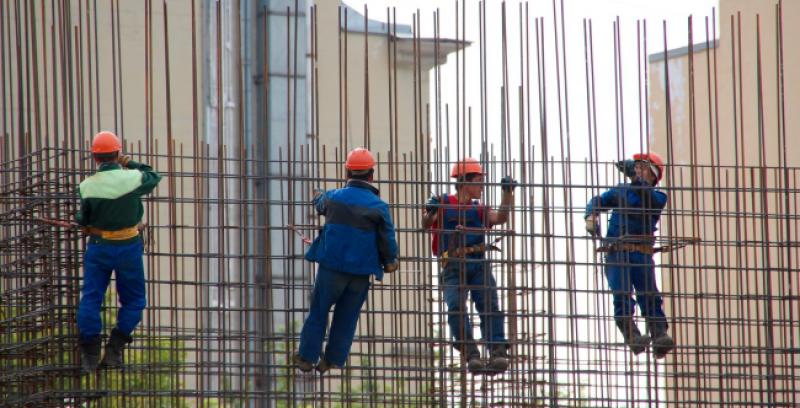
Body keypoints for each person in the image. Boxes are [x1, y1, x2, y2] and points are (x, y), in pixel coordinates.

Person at [294, 147, 399, 374]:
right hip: (361, 274)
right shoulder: (379, 206)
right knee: (347, 317)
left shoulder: (333, 198)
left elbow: (320, 203)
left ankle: (306, 357)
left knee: (319, 311)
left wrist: (317, 193)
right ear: (371, 175)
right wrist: (391, 261)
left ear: (347, 174)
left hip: (332, 269)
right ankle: (332, 360)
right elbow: (387, 238)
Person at [76, 131, 162, 372]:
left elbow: (84, 218)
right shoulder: (132, 178)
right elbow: (154, 175)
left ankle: (90, 356)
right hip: (128, 247)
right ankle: (114, 349)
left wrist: (83, 221)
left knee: (91, 298)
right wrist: (129, 162)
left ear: (95, 158)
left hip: (99, 247)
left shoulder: (87, 186)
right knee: (134, 301)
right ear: (117, 154)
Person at [422, 158, 516, 375]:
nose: (482, 186)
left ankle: (497, 351)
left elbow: (500, 217)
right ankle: (470, 352)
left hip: (478, 263)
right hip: (452, 264)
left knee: (489, 306)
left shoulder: (480, 209)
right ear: (465, 182)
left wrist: (507, 194)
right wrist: (431, 210)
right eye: (479, 181)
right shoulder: (443, 202)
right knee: (455, 307)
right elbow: (426, 224)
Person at [584, 152, 675, 359]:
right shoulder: (621, 191)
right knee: (622, 295)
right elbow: (599, 200)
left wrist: (635, 178)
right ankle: (632, 336)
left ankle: (659, 335)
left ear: (653, 176)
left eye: (642, 169)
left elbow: (646, 196)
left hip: (641, 254)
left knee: (649, 295)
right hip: (618, 254)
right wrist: (591, 214)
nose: (637, 171)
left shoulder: (658, 197)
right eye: (636, 168)